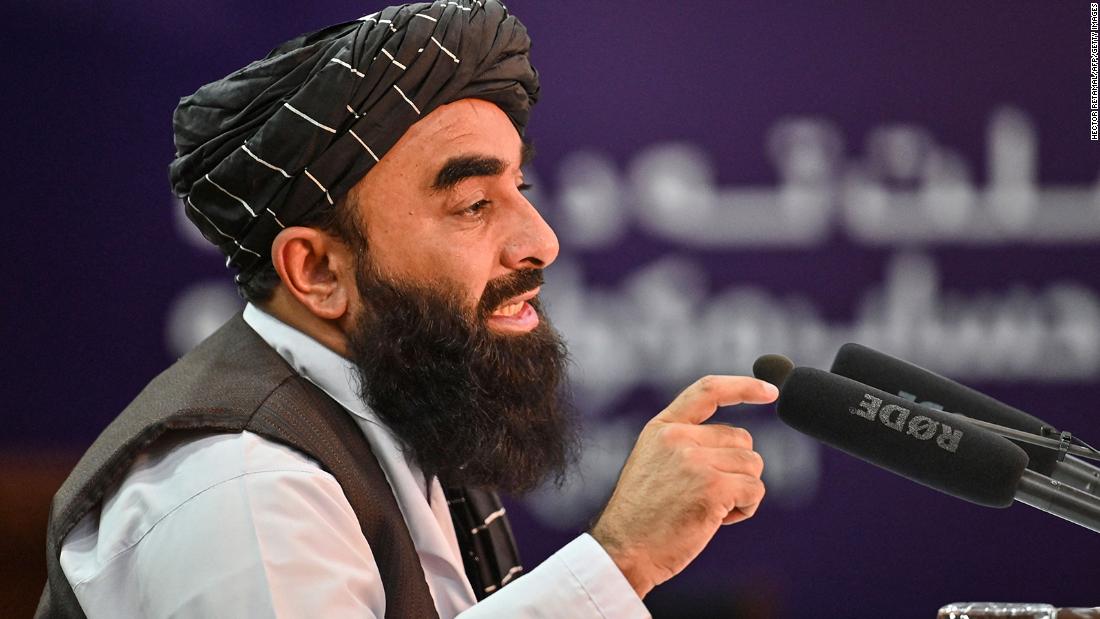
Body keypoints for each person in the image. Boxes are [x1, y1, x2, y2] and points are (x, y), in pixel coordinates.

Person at [38, 2, 777, 617]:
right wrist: (621, 560)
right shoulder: (243, 491)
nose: (542, 241)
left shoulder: (396, 399)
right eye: (474, 204)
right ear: (318, 270)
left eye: (521, 188)